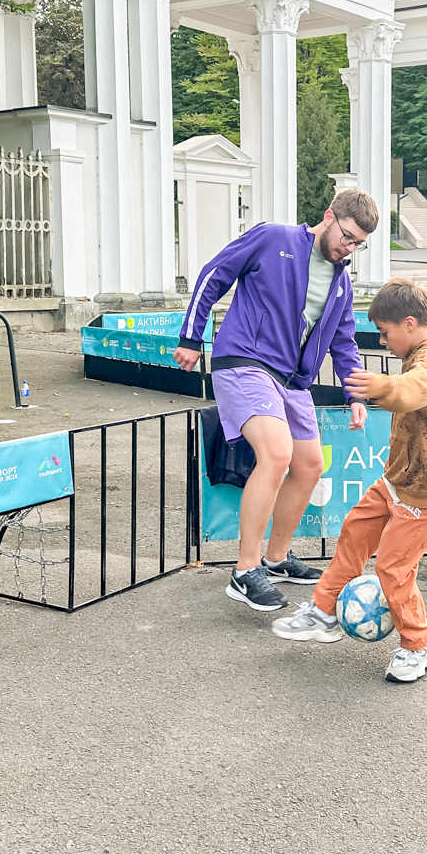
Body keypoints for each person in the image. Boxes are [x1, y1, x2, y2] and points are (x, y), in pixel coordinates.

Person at [174, 190, 378, 612]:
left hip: (291, 379)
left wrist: (355, 394)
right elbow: (214, 274)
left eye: (358, 244)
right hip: (244, 360)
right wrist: (191, 337)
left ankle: (276, 559)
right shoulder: (273, 238)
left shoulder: (341, 283)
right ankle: (245, 571)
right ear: (329, 217)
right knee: (277, 452)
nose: (349, 247)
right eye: (347, 236)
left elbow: (344, 343)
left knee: (310, 464)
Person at [270, 278, 427, 683]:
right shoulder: (419, 354)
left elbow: (418, 389)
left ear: (409, 324)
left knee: (394, 568)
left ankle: (418, 645)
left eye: (384, 332)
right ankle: (324, 611)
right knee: (355, 530)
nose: (382, 341)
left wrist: (383, 386)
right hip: (399, 479)